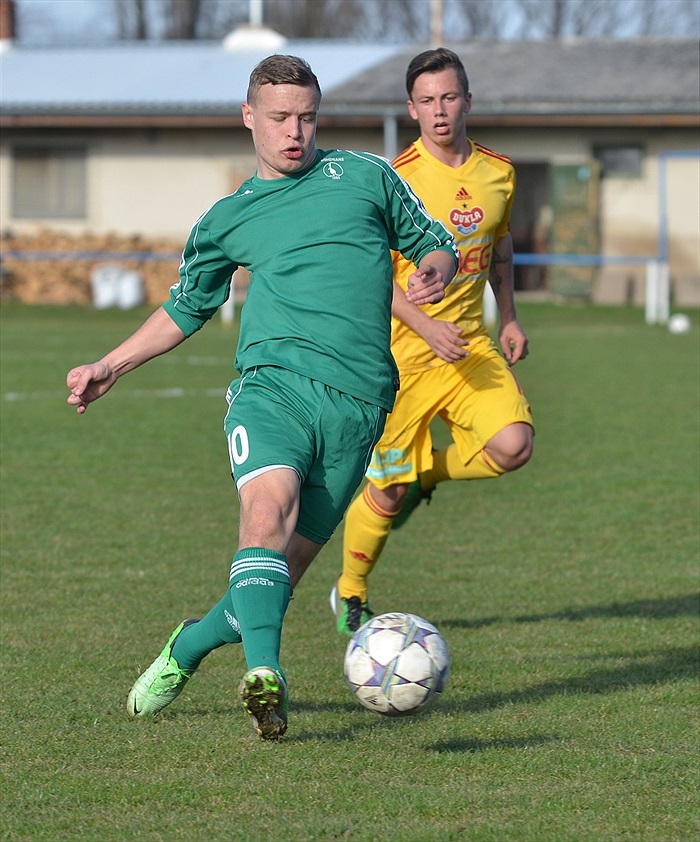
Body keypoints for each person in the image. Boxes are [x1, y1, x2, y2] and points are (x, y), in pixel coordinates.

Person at [66, 55, 458, 740]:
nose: (294, 132)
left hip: (361, 406)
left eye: (306, 117)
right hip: (272, 388)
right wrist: (112, 363)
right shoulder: (227, 219)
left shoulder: (366, 176)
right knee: (265, 512)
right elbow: (186, 306)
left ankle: (188, 645)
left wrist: (434, 270)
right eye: (279, 117)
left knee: (277, 579)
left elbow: (434, 242)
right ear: (249, 117)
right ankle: (265, 677)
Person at [331, 48, 534, 636]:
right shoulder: (394, 180)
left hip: (468, 345)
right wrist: (423, 325)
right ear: (411, 109)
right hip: (398, 359)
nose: (439, 110)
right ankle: (351, 591)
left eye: (448, 97)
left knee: (513, 446)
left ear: (468, 100)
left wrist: (510, 317)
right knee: (387, 492)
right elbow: (366, 273)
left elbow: (499, 245)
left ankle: (429, 475)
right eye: (427, 101)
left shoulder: (499, 172)